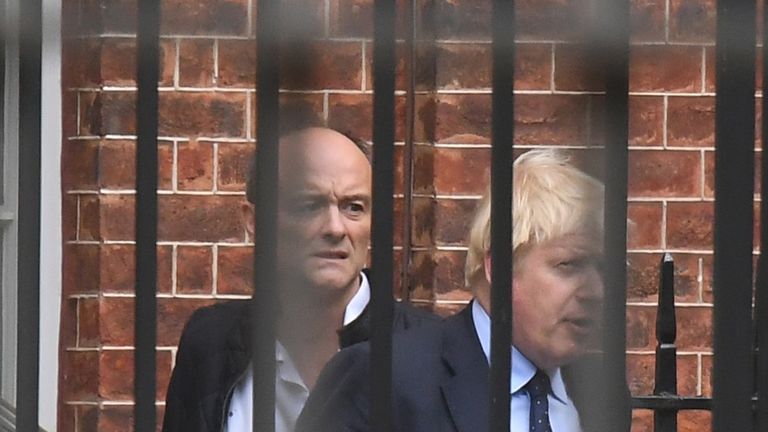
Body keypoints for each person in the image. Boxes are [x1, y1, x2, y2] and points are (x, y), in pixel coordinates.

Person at [296, 149, 631, 432]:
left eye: (605, 269)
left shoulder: (601, 394)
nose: (596, 291)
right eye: (569, 265)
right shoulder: (381, 377)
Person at [161, 116, 436, 432]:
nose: (335, 227)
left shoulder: (427, 351)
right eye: (310, 205)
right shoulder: (210, 341)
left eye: (354, 207)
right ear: (255, 220)